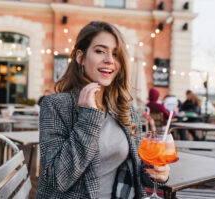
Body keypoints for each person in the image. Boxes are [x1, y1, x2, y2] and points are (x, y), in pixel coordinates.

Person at [36, 21, 169, 199]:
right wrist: (88, 119)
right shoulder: (55, 105)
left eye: (115, 54)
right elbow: (58, 179)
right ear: (80, 57)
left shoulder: (124, 108)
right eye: (100, 51)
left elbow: (136, 168)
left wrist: (158, 173)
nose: (109, 60)